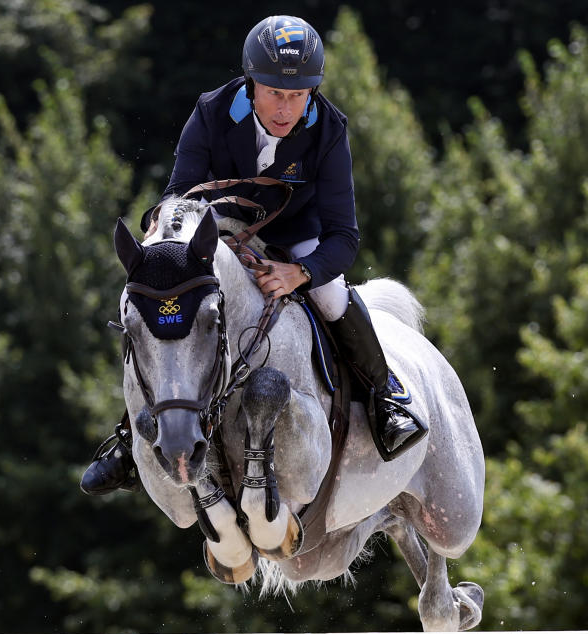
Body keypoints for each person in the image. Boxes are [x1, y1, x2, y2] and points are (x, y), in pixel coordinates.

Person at [80, 15, 426, 496]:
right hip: (220, 233)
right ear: (251, 83)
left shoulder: (328, 130)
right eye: (275, 93)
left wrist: (300, 273)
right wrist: (169, 228)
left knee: (330, 298)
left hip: (298, 239)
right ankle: (129, 437)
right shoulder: (212, 111)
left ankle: (386, 398)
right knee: (170, 305)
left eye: (298, 95)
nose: (287, 109)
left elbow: (344, 236)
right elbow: (181, 192)